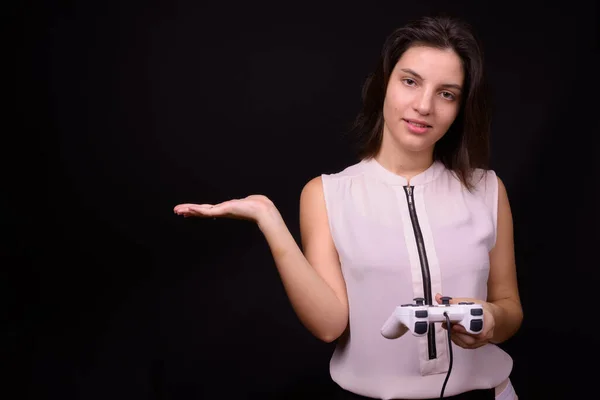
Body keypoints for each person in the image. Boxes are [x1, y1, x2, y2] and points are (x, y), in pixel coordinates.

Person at [174, 15, 523, 400]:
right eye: (410, 81)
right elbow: (329, 325)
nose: (424, 106)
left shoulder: (487, 189)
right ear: (383, 85)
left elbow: (510, 308)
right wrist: (269, 219)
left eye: (447, 93)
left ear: (460, 107)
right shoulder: (326, 194)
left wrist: (491, 319)